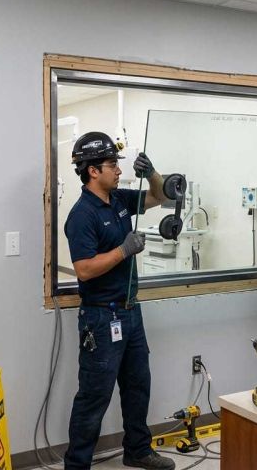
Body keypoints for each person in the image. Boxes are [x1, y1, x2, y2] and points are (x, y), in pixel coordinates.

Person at [63, 132, 174, 470]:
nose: (118, 170)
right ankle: (77, 465)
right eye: (112, 165)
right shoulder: (82, 214)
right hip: (101, 317)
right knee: (94, 396)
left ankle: (137, 451)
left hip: (130, 311)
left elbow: (160, 196)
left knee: (138, 385)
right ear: (93, 171)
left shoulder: (120, 199)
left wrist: (151, 173)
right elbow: (84, 269)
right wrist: (123, 250)